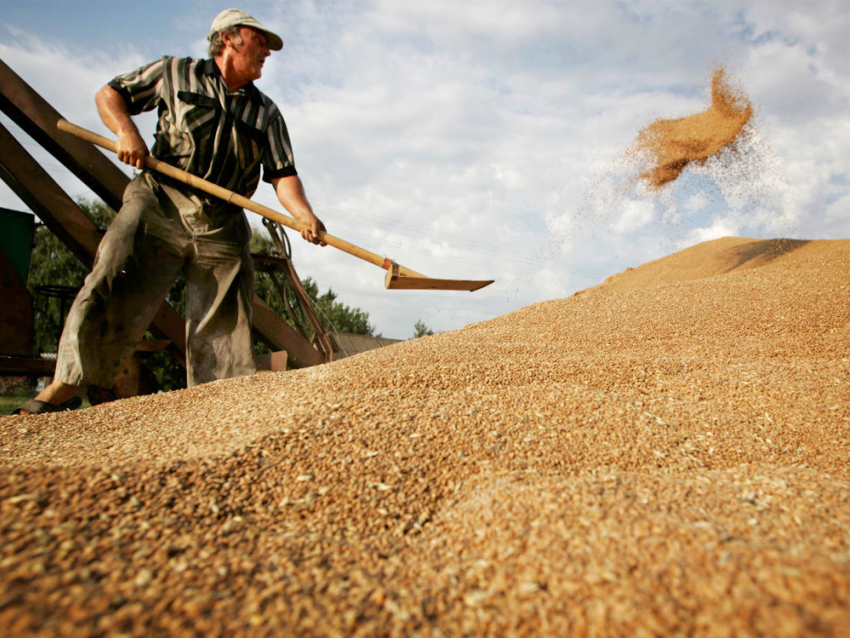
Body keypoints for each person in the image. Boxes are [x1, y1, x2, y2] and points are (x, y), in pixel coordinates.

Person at [13, 9, 325, 415]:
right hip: (160, 199)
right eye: (259, 39)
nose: (267, 49)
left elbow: (283, 174)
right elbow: (109, 95)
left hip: (222, 218)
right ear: (228, 38)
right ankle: (68, 385)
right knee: (114, 278)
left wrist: (304, 215)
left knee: (226, 317)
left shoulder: (266, 112)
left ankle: (219, 405)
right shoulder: (174, 72)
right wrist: (127, 131)